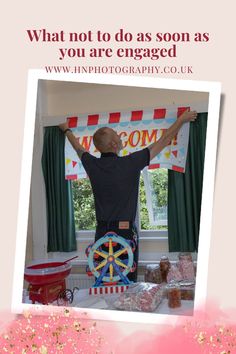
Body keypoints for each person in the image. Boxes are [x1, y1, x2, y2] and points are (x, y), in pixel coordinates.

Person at [59, 109, 197, 282]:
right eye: (117, 135)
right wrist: (182, 120)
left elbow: (78, 147)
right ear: (114, 145)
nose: (120, 136)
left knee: (105, 280)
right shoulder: (130, 163)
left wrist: (66, 129)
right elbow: (163, 140)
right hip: (123, 234)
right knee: (126, 282)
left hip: (101, 232)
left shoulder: (91, 164)